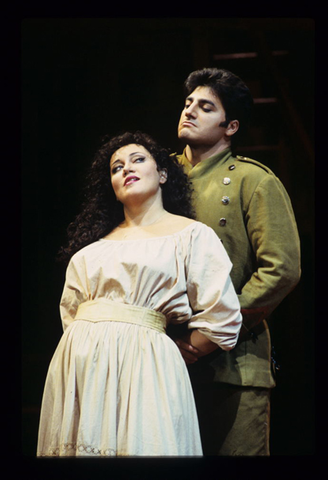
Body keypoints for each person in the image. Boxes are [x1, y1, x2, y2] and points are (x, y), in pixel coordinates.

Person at [36, 131, 243, 457]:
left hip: (147, 365)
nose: (125, 169)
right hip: (80, 370)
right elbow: (70, 315)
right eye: (116, 167)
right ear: (112, 189)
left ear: (162, 173)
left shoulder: (191, 236)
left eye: (137, 159)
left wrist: (180, 350)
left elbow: (223, 315)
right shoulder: (90, 252)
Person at [173, 68, 301, 456]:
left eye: (205, 106)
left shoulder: (252, 180)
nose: (190, 111)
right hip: (164, 358)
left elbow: (281, 268)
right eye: (188, 103)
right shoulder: (157, 176)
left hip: (234, 363)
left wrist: (215, 330)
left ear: (231, 126)